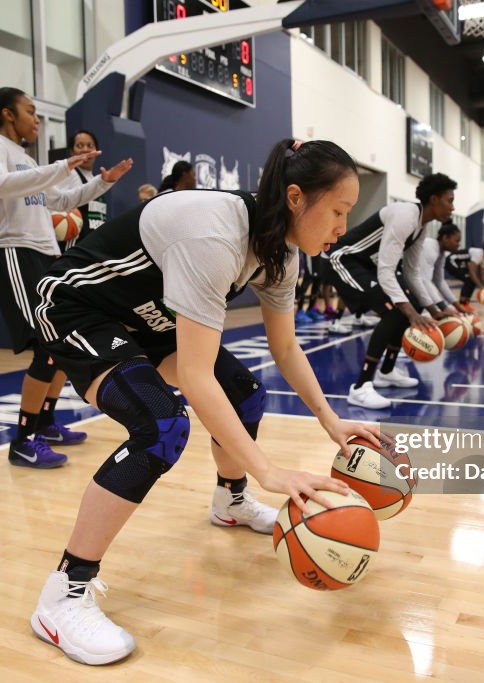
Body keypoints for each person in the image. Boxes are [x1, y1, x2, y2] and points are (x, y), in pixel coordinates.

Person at [27, 138, 384, 665]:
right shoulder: (216, 233)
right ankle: (64, 592)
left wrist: (331, 422)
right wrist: (270, 471)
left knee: (246, 394)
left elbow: (283, 347)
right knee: (162, 425)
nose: (341, 226)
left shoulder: (281, 252)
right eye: (338, 211)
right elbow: (194, 378)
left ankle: (230, 502)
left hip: (147, 316)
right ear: (295, 197)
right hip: (77, 308)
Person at [0, 86, 133, 468]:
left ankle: (44, 422)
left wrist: (102, 182)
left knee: (61, 342)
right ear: (9, 114)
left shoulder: (27, 160)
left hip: (45, 254)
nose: (36, 118)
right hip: (14, 251)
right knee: (46, 347)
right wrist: (62, 167)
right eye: (30, 111)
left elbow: (61, 201)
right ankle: (23, 440)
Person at [322, 173, 457, 409]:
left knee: (411, 303)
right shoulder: (406, 215)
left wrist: (432, 310)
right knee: (396, 311)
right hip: (342, 259)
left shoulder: (421, 226)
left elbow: (413, 273)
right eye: (449, 200)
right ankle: (361, 387)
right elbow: (386, 270)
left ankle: (386, 372)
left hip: (366, 266)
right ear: (434, 199)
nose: (452, 207)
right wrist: (410, 312)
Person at [55, 129, 109, 250]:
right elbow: (55, 207)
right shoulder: (70, 175)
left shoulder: (96, 179)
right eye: (80, 146)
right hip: (74, 247)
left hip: (93, 246)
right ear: (71, 152)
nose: (85, 149)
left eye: (90, 145)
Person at [419, 223, 471, 316]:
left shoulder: (441, 253)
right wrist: (443, 307)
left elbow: (439, 281)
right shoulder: (429, 248)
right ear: (445, 237)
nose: (458, 245)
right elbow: (424, 280)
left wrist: (458, 306)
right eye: (457, 241)